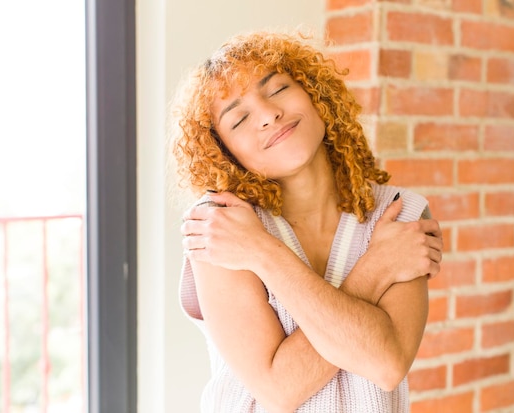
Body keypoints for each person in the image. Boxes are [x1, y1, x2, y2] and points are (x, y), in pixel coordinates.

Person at [172, 30, 443, 413]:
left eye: (278, 89)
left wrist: (260, 255)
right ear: (224, 152)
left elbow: (386, 364)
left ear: (316, 94)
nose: (268, 115)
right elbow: (279, 389)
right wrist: (377, 266)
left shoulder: (400, 214)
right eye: (240, 118)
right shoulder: (221, 227)